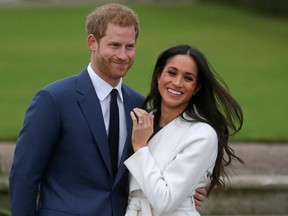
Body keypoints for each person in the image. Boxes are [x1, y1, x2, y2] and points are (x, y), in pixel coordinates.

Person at [9, 4, 205, 216]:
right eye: (114, 45)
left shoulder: (138, 105)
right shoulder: (54, 100)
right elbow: (23, 177)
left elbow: (151, 166)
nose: (123, 55)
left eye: (129, 46)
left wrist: (187, 191)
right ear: (92, 42)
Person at [124, 44, 244, 216]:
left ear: (196, 88)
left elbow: (165, 202)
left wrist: (141, 148)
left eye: (188, 78)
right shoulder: (141, 122)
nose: (177, 83)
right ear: (159, 76)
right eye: (172, 73)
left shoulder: (202, 135)